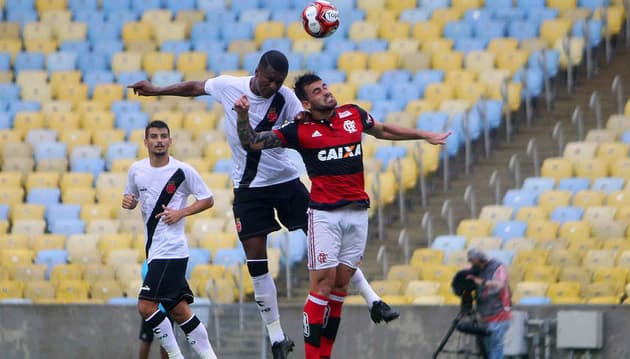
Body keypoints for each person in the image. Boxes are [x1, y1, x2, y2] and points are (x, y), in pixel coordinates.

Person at [128, 50, 399, 358]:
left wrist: (305, 118)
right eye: (269, 80)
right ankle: (277, 337)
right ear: (257, 71)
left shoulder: (286, 98)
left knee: (323, 240)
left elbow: (308, 119)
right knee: (257, 262)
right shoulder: (231, 86)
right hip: (248, 190)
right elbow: (194, 88)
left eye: (279, 82)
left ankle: (373, 298)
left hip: (285, 182)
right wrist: (157, 90)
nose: (273, 86)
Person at [232, 72, 451, 359]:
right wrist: (242, 116)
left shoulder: (353, 114)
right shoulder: (299, 130)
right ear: (306, 104)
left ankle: (324, 355)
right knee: (321, 286)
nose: (325, 92)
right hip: (324, 217)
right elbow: (253, 142)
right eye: (317, 91)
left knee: (339, 288)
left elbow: (383, 130)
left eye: (324, 87)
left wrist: (424, 135)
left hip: (358, 213)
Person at [122, 120, 218, 359]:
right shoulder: (136, 170)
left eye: (163, 136)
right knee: (179, 310)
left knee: (145, 306)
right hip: (154, 251)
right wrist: (130, 202)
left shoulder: (182, 171)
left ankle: (176, 357)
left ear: (170, 141)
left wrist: (181, 212)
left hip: (172, 250)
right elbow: (130, 196)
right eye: (154, 136)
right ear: (146, 142)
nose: (159, 140)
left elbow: (208, 199)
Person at [465, 248, 512, 359]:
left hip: (499, 314)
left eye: (474, 262)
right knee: (487, 351)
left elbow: (500, 285)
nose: (473, 265)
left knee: (496, 348)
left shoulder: (497, 267)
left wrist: (483, 282)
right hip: (484, 315)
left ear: (480, 260)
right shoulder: (476, 270)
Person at [139, 261, 170, 359]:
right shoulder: (148, 263)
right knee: (147, 340)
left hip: (163, 309)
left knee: (166, 343)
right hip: (151, 309)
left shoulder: (166, 262)